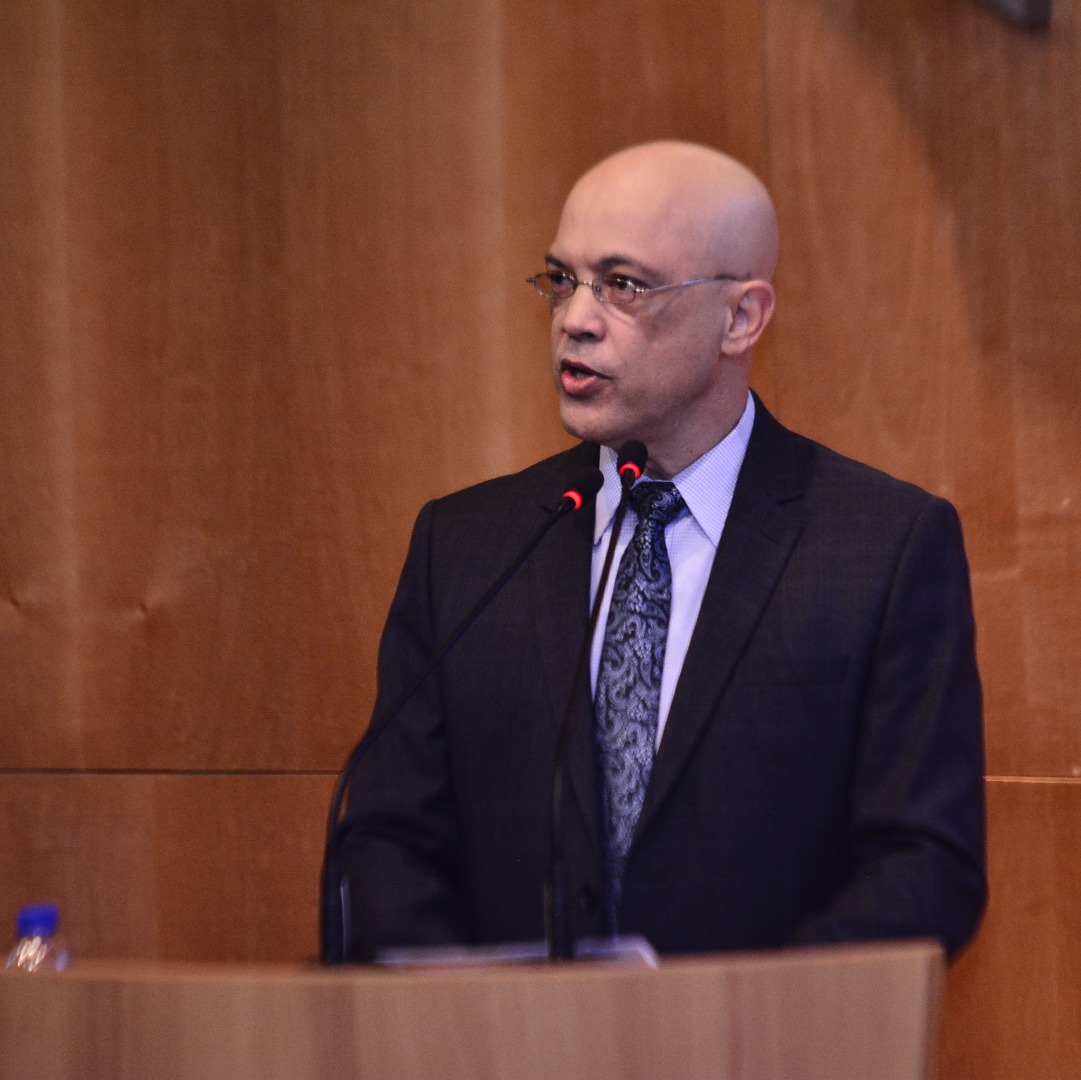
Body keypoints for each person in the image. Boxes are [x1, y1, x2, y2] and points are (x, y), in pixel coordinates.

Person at [337, 141, 986, 960]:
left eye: (624, 285)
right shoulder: (465, 548)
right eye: (562, 279)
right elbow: (386, 844)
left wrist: (739, 1019)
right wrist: (474, 1019)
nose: (574, 319)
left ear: (740, 318)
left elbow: (926, 867)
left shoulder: (881, 549)